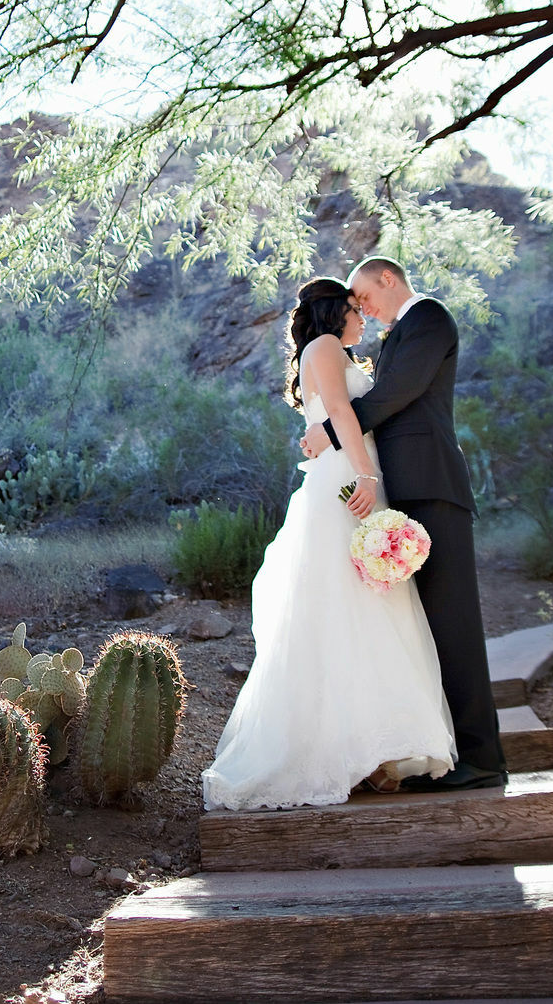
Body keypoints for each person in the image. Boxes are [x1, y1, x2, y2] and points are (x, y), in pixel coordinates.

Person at [201, 277, 456, 810]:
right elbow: (341, 414)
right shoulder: (324, 347)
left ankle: (377, 750)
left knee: (369, 610)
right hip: (346, 484)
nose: (363, 316)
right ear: (335, 312)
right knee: (346, 609)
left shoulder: (338, 353)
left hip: (351, 476)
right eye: (355, 309)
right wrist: (366, 479)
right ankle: (341, 752)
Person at [301, 256, 506, 790]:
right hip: (398, 489)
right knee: (422, 624)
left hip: (431, 485)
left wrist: (329, 429)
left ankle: (483, 759)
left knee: (454, 620)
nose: (361, 307)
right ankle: (442, 748)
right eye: (352, 303)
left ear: (386, 279)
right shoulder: (393, 336)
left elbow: (398, 392)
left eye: (363, 295)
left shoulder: (429, 318)